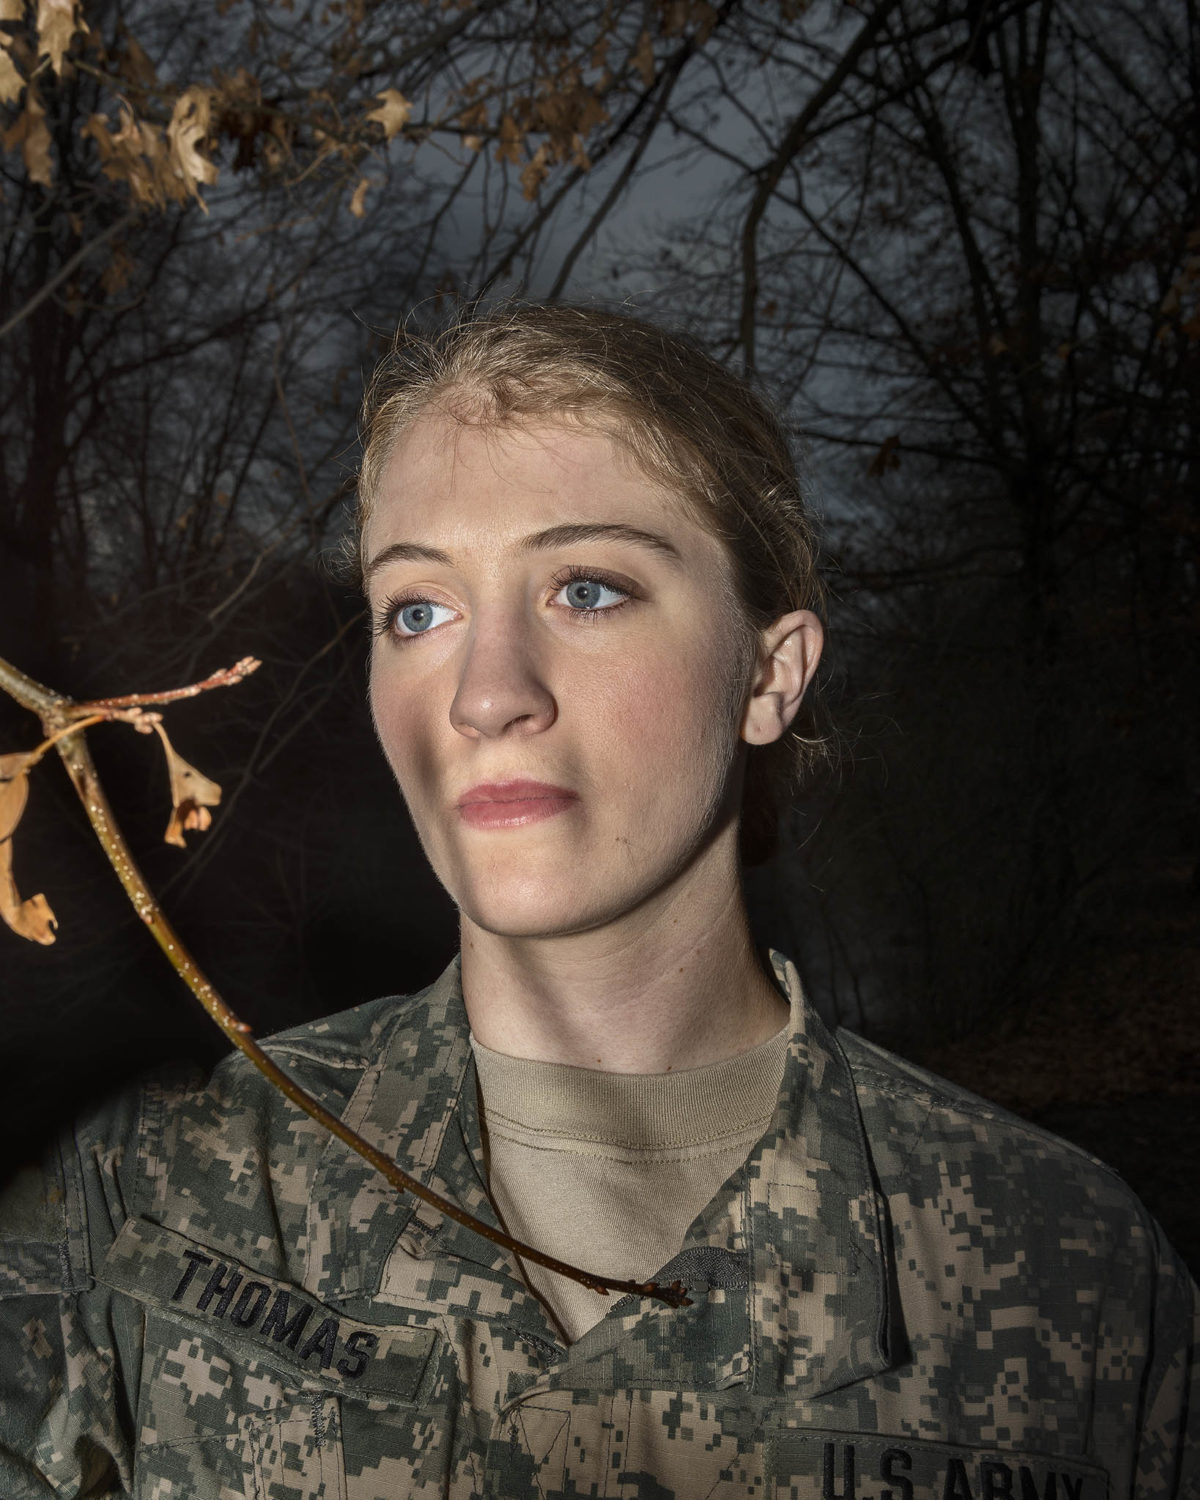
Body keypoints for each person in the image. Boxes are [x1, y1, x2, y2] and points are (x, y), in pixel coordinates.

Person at [0, 303, 1195, 1500]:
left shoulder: (1068, 1277)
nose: (485, 695)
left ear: (769, 674)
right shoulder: (155, 1193)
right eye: (419, 611)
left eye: (587, 589)